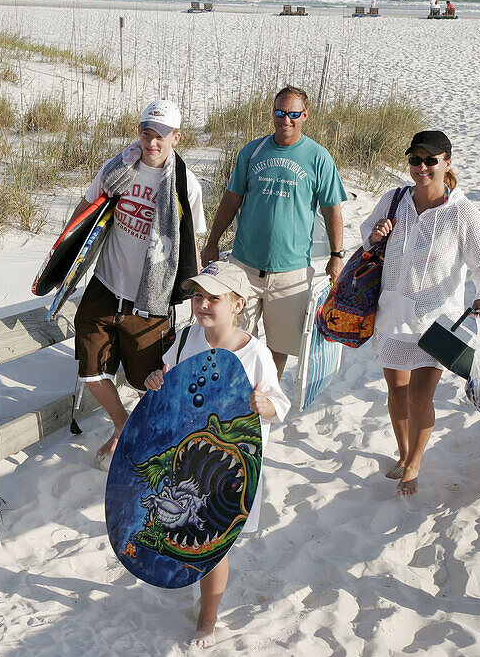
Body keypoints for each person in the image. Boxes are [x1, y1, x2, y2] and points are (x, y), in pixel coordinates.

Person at [144, 261, 289, 648]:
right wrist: (156, 380)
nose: (203, 304)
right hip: (186, 460)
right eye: (197, 296)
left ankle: (208, 619)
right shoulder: (188, 337)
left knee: (215, 545)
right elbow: (167, 378)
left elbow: (281, 404)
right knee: (184, 531)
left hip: (228, 469)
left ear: (238, 304)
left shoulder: (256, 353)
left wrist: (264, 405)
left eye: (214, 297)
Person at [362, 130, 480, 496]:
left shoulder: (462, 212)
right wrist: (375, 234)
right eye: (415, 160)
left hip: (434, 322)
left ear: (447, 163)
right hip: (391, 314)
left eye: (430, 161)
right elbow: (366, 234)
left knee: (420, 397)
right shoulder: (394, 199)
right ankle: (404, 453)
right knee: (396, 391)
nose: (421, 167)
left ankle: (416, 461)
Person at [72, 99, 206, 469]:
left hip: (152, 297)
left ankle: (140, 435)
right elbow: (83, 213)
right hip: (105, 285)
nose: (153, 143)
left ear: (176, 137)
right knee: (91, 367)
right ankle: (122, 425)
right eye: (148, 134)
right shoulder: (117, 168)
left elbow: (193, 243)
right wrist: (65, 262)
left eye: (162, 136)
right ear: (139, 132)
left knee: (146, 379)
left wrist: (193, 294)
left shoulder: (186, 185)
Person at [201, 85, 349, 379]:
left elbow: (332, 209)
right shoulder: (252, 151)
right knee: (233, 339)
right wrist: (212, 242)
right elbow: (231, 199)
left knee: (277, 347)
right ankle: (233, 398)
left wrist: (336, 255)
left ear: (305, 115)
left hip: (291, 272)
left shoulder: (319, 157)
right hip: (244, 267)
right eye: (280, 112)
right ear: (273, 113)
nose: (286, 120)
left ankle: (264, 398)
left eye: (294, 114)